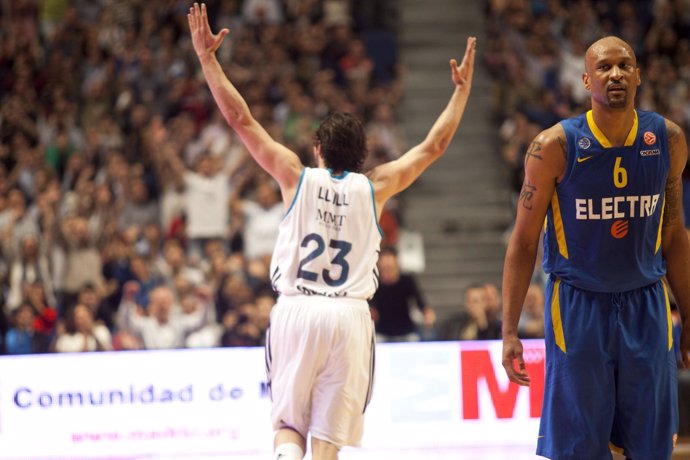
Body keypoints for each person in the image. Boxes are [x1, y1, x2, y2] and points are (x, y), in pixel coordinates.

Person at [187, 4, 476, 459]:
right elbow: (433, 146)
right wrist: (460, 94)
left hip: (297, 309)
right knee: (327, 441)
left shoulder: (293, 174)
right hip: (349, 318)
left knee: (287, 424)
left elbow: (241, 120)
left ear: (317, 149)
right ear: (362, 154)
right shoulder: (376, 186)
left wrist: (207, 59)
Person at [501, 36, 690, 460]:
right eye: (604, 67)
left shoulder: (669, 139)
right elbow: (524, 240)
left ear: (639, 75)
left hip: (647, 304)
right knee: (580, 447)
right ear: (586, 80)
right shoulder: (553, 146)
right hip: (577, 306)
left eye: (625, 65)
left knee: (652, 445)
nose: (616, 73)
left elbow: (675, 235)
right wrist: (509, 329)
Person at [369, 246, 435, 342]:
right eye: (385, 269)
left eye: (390, 268)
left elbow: (420, 302)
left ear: (397, 264)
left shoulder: (407, 281)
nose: (388, 272)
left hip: (406, 332)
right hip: (382, 333)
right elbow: (371, 307)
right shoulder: (374, 284)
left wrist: (427, 313)